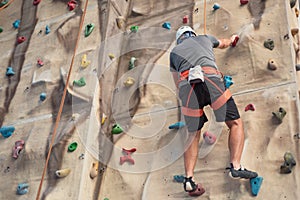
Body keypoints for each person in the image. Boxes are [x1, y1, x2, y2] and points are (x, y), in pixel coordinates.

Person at [169, 26, 258, 197]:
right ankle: (236, 166)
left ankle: (188, 178)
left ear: (179, 39)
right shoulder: (204, 38)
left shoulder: (174, 53)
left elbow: (177, 83)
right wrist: (232, 39)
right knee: (235, 123)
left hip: (188, 89)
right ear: (192, 34)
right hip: (211, 79)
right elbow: (224, 43)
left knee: (193, 135)